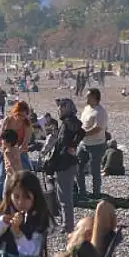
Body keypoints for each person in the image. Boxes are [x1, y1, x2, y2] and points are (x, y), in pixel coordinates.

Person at [48, 98, 85, 232]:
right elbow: (81, 132)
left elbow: (80, 132)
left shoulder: (69, 122)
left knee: (65, 197)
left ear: (65, 108)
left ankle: (68, 226)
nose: (58, 110)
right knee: (61, 195)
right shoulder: (69, 122)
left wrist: (72, 146)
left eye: (60, 107)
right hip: (65, 164)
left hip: (65, 165)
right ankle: (65, 223)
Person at [77, 88, 109, 199]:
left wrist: (83, 134)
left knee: (94, 171)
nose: (86, 98)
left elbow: (98, 128)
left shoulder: (100, 112)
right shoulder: (86, 108)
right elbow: (82, 123)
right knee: (78, 167)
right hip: (83, 144)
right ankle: (82, 192)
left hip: (96, 145)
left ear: (95, 97)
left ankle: (96, 194)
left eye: (88, 96)